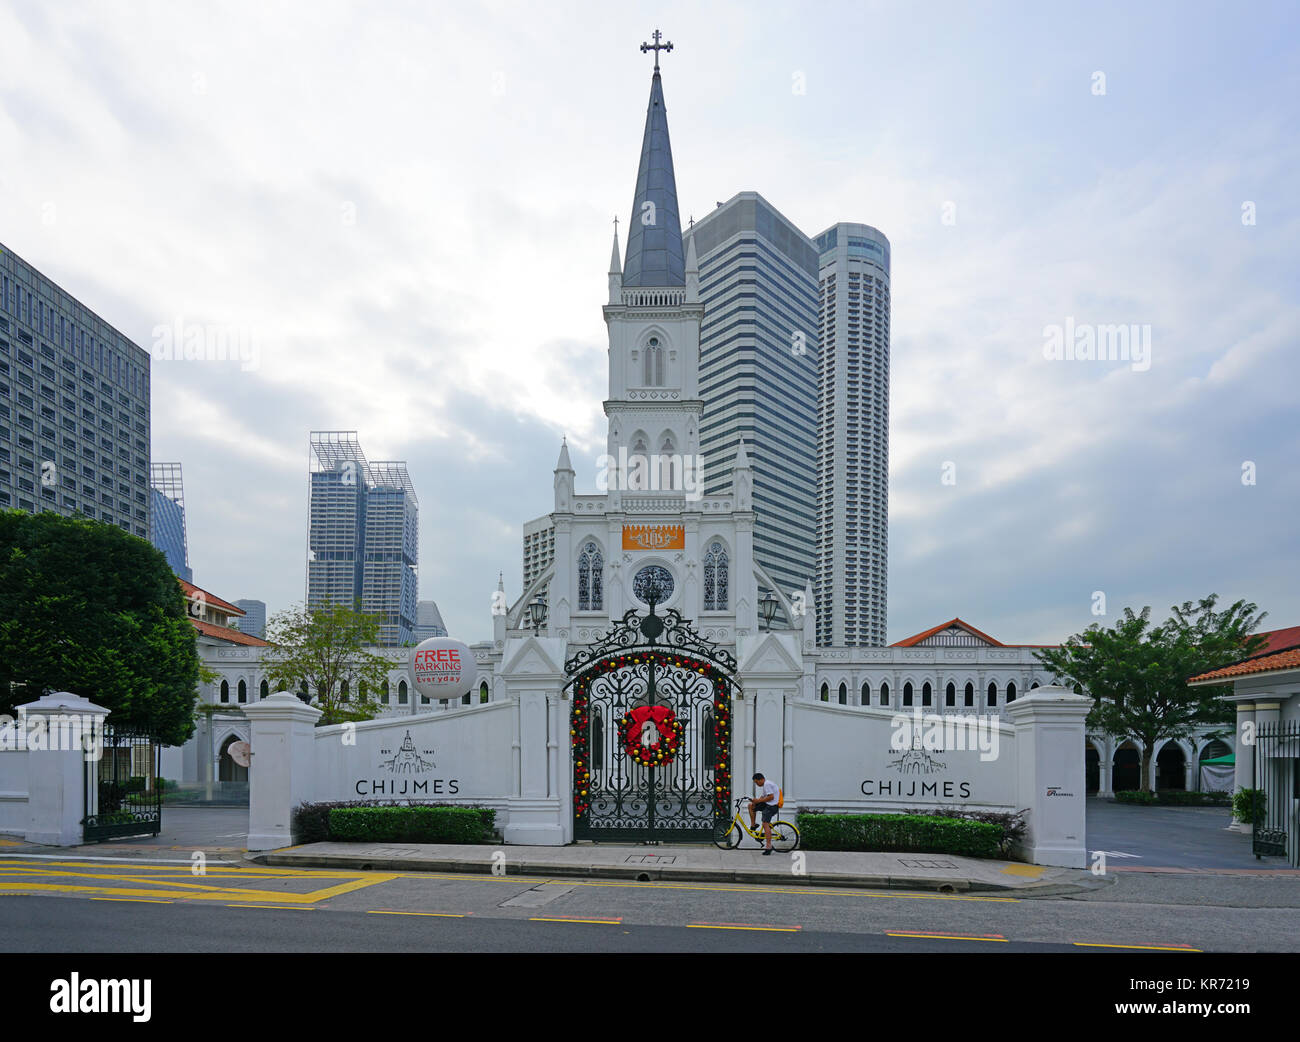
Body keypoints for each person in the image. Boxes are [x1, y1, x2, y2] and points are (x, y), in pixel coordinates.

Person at [748, 772, 779, 854]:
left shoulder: (767, 784)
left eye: (756, 782)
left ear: (761, 779)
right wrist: (756, 802)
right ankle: (753, 825)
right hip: (768, 805)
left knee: (765, 824)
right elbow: (763, 797)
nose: (756, 784)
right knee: (751, 805)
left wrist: (758, 801)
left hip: (771, 806)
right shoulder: (766, 784)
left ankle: (768, 847)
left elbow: (771, 797)